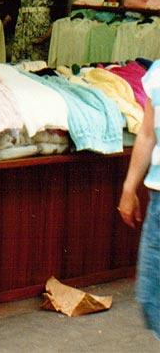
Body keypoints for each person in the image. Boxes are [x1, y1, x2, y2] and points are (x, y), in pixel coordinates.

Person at [117, 58, 160, 340]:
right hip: (158, 201)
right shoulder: (157, 72)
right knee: (150, 295)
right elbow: (146, 134)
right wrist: (129, 189)